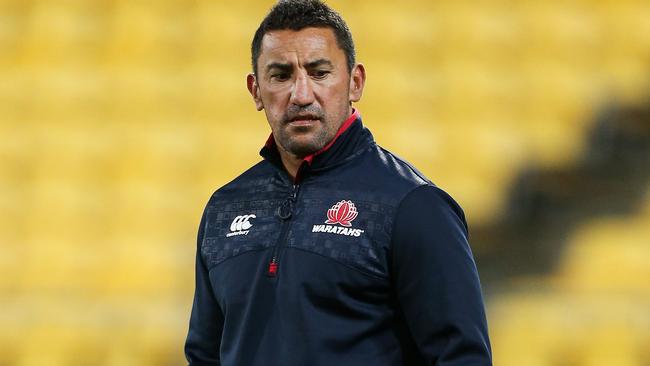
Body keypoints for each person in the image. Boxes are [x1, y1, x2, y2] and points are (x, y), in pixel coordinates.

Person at [184, 1, 492, 365]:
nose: (301, 94)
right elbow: (205, 355)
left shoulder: (413, 205)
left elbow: (461, 358)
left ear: (355, 82)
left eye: (319, 72)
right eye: (281, 75)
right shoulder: (225, 208)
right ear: (255, 89)